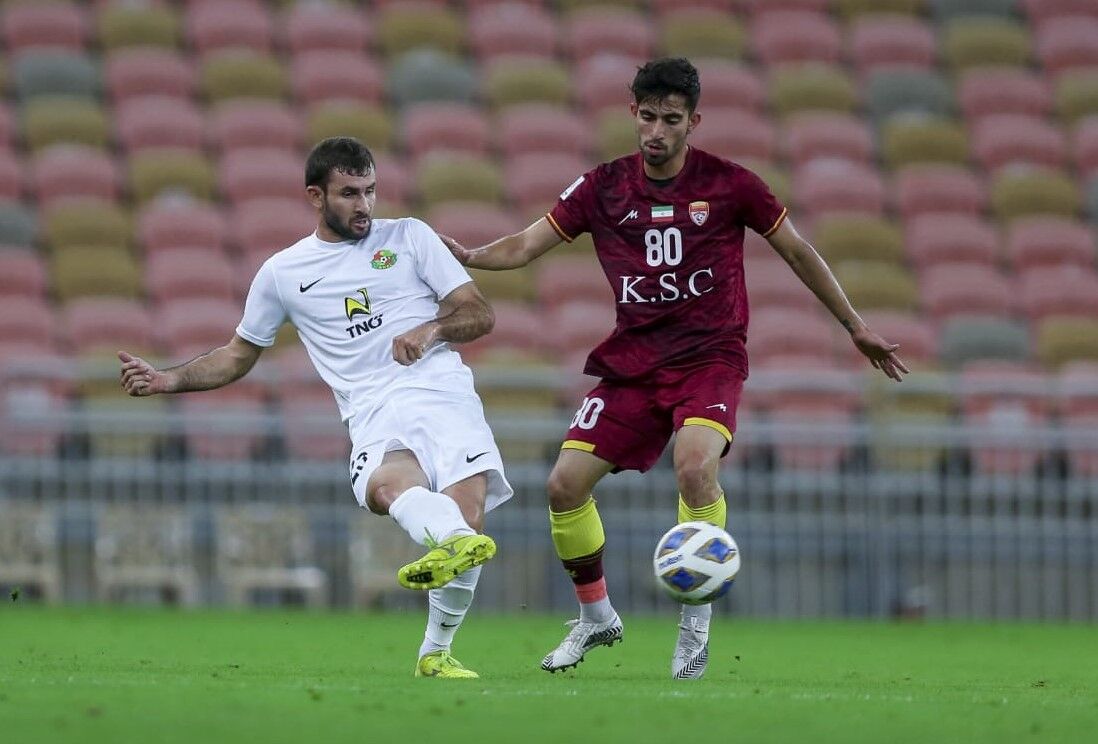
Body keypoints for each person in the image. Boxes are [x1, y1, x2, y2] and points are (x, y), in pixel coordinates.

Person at [441, 58, 908, 680]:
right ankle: (596, 619)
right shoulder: (602, 187)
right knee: (563, 485)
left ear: (693, 121)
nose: (656, 130)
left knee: (694, 468)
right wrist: (473, 257)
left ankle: (694, 632)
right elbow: (526, 246)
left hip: (708, 361)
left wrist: (854, 325)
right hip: (633, 363)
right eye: (647, 116)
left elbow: (797, 249)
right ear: (633, 113)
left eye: (670, 119)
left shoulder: (731, 184)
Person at [119, 137, 512, 679]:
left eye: (371, 191)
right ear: (315, 196)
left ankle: (435, 651)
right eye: (350, 193)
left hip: (443, 390)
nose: (365, 205)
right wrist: (168, 379)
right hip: (372, 407)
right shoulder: (283, 273)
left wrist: (433, 328)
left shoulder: (412, 237)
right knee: (386, 489)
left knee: (467, 518)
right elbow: (238, 354)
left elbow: (480, 314)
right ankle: (453, 545)